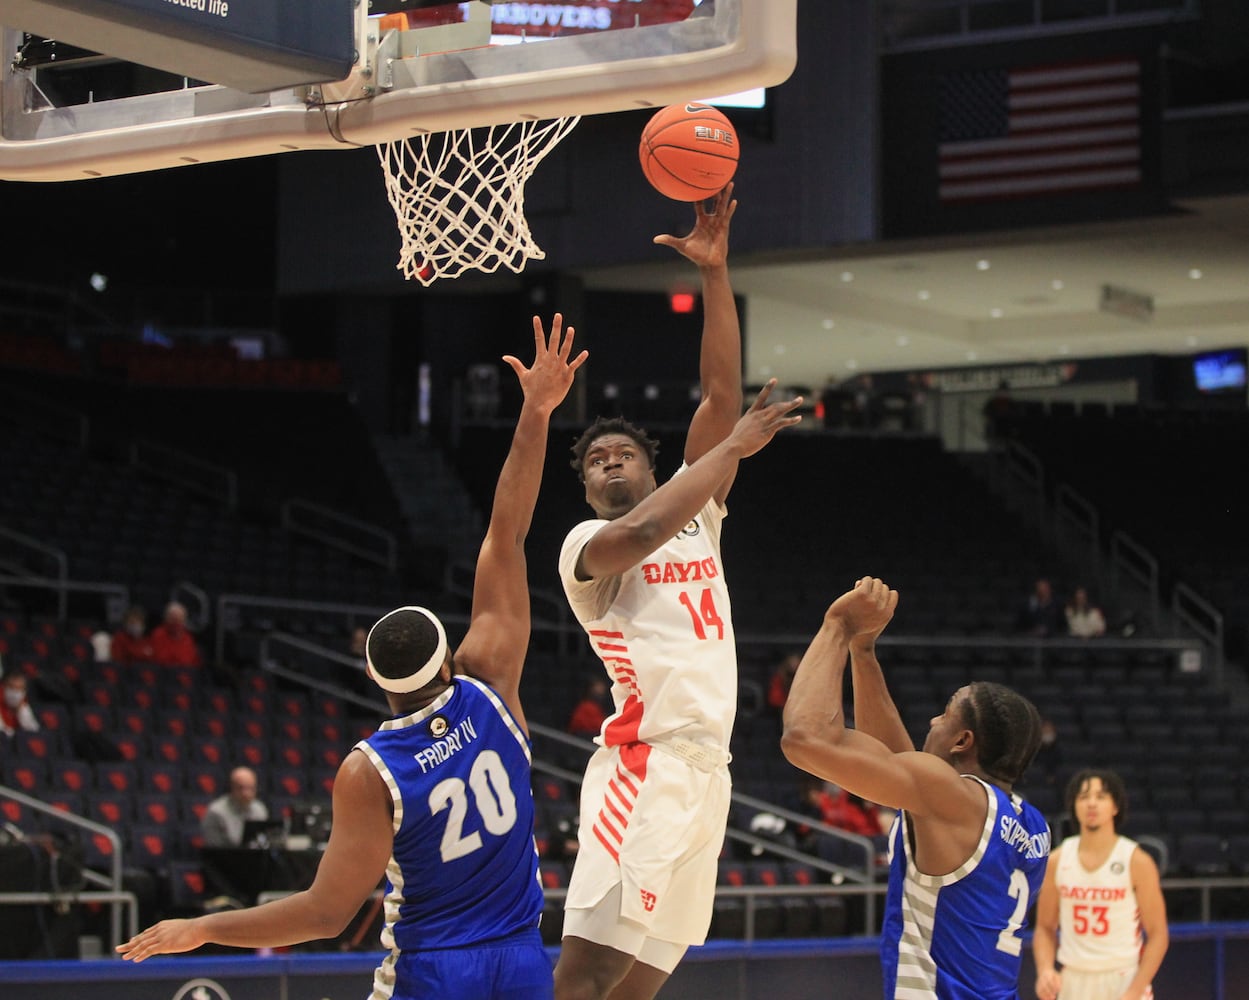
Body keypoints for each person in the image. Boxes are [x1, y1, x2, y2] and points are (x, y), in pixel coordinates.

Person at [118, 315, 587, 1000]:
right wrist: (537, 411)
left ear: (374, 677)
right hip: (519, 960)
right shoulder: (489, 681)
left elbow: (325, 914)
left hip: (433, 971)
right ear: (446, 662)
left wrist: (203, 929)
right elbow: (506, 531)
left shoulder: (369, 770)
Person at [553, 183, 805, 1000]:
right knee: (587, 974)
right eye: (595, 461)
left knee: (644, 979)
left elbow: (720, 398)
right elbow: (641, 534)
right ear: (587, 488)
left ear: (654, 466)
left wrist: (716, 272)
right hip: (644, 763)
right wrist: (725, 450)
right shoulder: (588, 547)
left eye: (623, 453)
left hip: (710, 773)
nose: (610, 462)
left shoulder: (701, 514)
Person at [781, 577, 1051, 1000]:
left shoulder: (955, 799)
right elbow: (898, 773)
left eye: (944, 715)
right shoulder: (1031, 825)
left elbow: (805, 740)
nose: (931, 722)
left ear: (963, 742)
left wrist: (838, 625)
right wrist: (863, 652)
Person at [1033, 769, 1168, 1000]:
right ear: (1074, 806)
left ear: (1116, 806)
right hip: (1073, 978)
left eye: (1101, 796)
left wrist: (1135, 991)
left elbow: (1158, 934)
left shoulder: (1136, 861)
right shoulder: (1057, 860)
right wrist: (1045, 969)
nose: (1091, 803)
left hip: (1123, 977)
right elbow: (1045, 928)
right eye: (1084, 797)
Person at [201, 765, 269, 848]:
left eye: (250, 788)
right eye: (241, 788)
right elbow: (213, 848)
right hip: (224, 858)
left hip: (254, 858)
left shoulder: (259, 809)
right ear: (231, 788)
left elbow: (262, 842)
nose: (246, 794)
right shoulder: (216, 812)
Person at [148, 601, 203, 668]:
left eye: (179, 620)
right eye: (173, 619)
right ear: (166, 619)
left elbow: (193, 662)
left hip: (185, 674)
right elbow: (158, 659)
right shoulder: (158, 634)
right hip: (163, 674)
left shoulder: (188, 637)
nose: (176, 623)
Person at [1, 671, 39, 737]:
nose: (15, 693)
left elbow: (34, 732)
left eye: (19, 689)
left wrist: (21, 711)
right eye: (11, 687)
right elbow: (2, 733)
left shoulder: (24, 705)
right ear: (3, 687)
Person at [766, 651, 802, 715]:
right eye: (792, 662)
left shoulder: (804, 677)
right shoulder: (779, 677)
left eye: (796, 662)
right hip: (781, 708)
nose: (794, 664)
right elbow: (774, 699)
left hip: (798, 707)